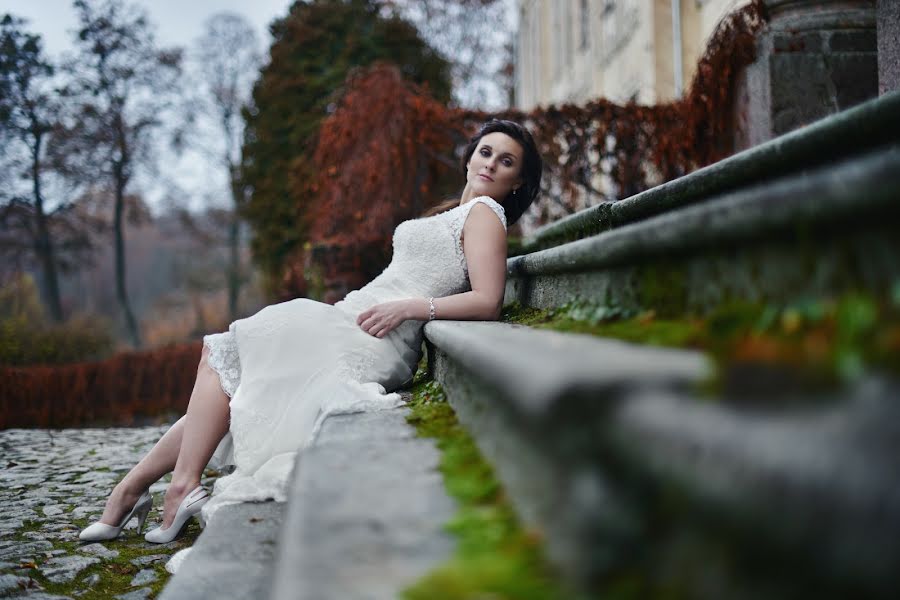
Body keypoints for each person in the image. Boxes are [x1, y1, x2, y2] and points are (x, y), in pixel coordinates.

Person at [78, 118, 543, 544]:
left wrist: (412, 307)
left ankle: (152, 490)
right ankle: (143, 489)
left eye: (506, 162)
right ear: (470, 156)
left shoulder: (485, 214)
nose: (491, 165)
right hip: (354, 315)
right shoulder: (453, 212)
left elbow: (487, 301)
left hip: (379, 335)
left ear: (517, 180)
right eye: (486, 152)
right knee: (233, 372)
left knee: (228, 351)